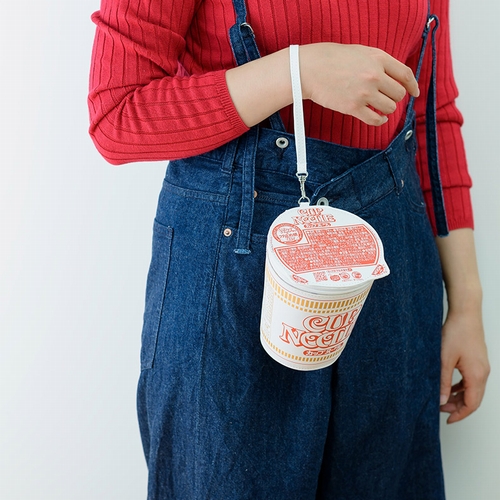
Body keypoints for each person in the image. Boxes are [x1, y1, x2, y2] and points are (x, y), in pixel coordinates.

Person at [88, 0, 490, 498]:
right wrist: (295, 72)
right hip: (233, 273)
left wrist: (467, 305)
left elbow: (431, 114)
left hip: (391, 279)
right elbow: (116, 115)